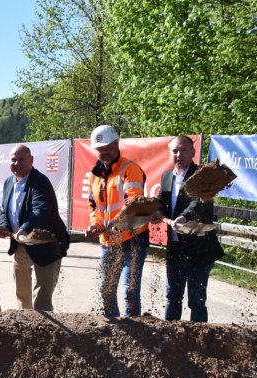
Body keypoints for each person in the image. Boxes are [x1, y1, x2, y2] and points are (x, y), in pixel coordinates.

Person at [0, 145, 69, 311]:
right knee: (22, 293)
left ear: (31, 160)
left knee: (42, 298)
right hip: (21, 244)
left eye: (21, 159)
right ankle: (26, 322)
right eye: (13, 160)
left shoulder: (40, 182)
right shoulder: (8, 182)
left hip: (46, 244)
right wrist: (4, 225)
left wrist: (25, 228)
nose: (17, 163)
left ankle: (43, 325)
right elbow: (5, 210)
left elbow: (40, 210)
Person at [157, 135, 224, 322]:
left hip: (200, 248)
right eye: (175, 151)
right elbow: (161, 201)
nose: (179, 154)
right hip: (175, 247)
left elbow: (201, 202)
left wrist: (184, 217)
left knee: (196, 300)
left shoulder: (203, 175)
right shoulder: (166, 176)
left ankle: (199, 337)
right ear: (169, 154)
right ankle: (170, 334)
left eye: (183, 150)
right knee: (173, 296)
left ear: (193, 152)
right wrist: (154, 210)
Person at [85, 125, 149, 318]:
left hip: (133, 239)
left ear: (117, 144)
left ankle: (134, 327)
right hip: (108, 241)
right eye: (100, 149)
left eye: (108, 147)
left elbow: (133, 202)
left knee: (130, 290)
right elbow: (93, 205)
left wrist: (115, 222)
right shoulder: (94, 175)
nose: (104, 152)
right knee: (107, 289)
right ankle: (114, 328)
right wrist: (96, 224)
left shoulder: (130, 169)